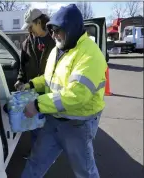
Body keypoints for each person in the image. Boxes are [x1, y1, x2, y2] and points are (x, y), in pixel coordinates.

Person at [20, 4, 107, 178]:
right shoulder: (57, 49)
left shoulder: (90, 55)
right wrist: (31, 84)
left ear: (71, 28)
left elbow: (76, 95)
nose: (53, 35)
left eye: (57, 31)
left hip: (77, 124)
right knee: (35, 163)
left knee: (85, 172)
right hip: (53, 120)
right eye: (51, 30)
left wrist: (37, 104)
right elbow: (49, 79)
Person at [14, 8, 56, 159]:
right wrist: (20, 80)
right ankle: (36, 154)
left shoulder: (56, 42)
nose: (29, 30)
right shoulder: (26, 44)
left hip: (52, 94)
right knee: (34, 127)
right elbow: (22, 68)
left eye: (31, 26)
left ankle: (46, 154)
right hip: (32, 93)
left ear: (39, 22)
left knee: (49, 127)